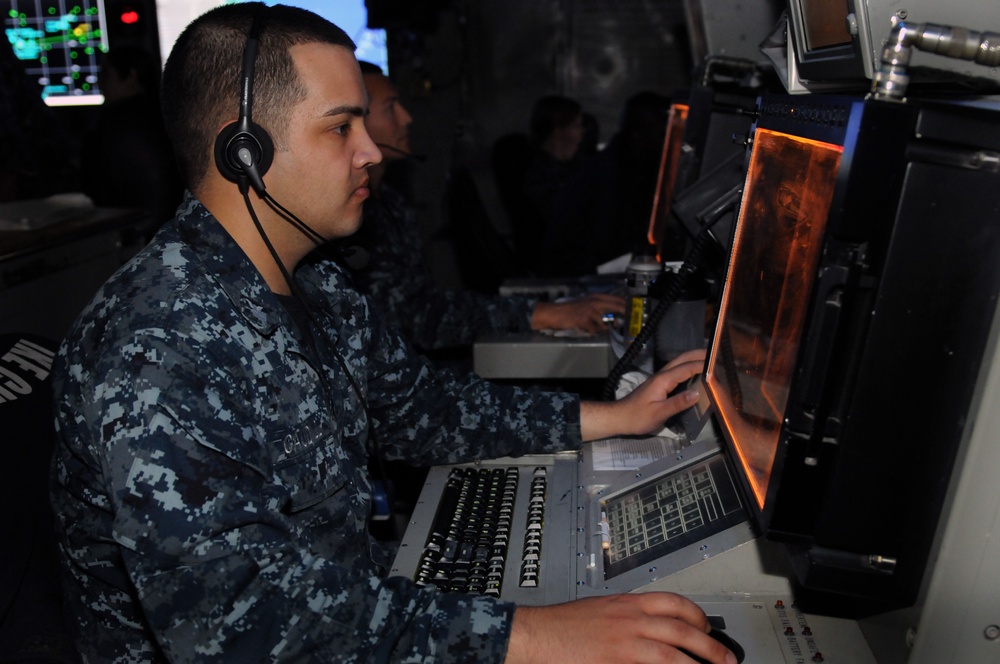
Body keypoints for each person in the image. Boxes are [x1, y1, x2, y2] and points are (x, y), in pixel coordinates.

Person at [48, 4, 735, 663]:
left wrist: (610, 416)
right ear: (245, 150)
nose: (374, 151)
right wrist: (526, 639)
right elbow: (237, 630)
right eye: (341, 127)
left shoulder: (317, 284)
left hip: (353, 614)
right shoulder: (157, 344)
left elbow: (424, 411)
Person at [346, 63, 624, 353]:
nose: (407, 118)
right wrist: (542, 314)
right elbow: (410, 318)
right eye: (391, 107)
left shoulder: (392, 203)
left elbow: (424, 302)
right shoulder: (354, 215)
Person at [541, 91, 671, 276]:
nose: (665, 141)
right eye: (660, 133)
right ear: (637, 133)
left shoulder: (629, 170)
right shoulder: (606, 177)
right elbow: (609, 249)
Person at [81, 45, 183, 226]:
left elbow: (92, 190)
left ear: (131, 77)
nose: (100, 82)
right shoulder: (173, 114)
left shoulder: (113, 122)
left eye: (105, 74)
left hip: (132, 233)